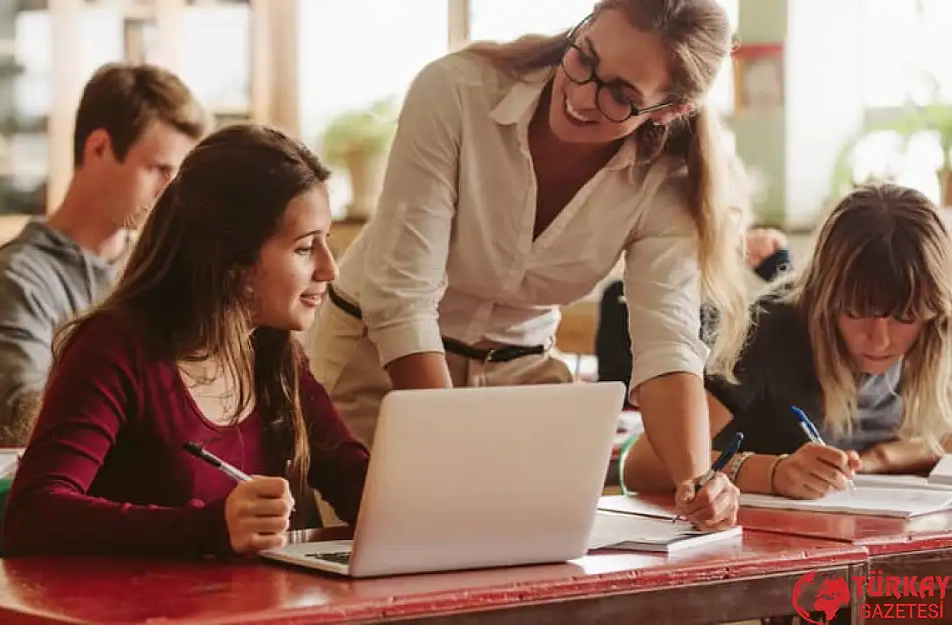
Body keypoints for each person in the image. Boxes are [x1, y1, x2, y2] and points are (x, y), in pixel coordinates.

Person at [304, 0, 748, 529]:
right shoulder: (458, 90)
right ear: (583, 27)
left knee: (529, 567)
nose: (582, 95)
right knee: (380, 554)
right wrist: (445, 446)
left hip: (518, 378)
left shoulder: (671, 177)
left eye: (621, 96)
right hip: (378, 360)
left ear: (668, 111)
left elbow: (667, 345)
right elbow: (402, 299)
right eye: (584, 58)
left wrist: (697, 483)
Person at [2, 124, 369, 558]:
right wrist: (207, 528)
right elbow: (31, 516)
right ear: (232, 260)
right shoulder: (113, 349)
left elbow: (357, 485)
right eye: (306, 248)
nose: (330, 269)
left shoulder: (275, 354)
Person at [623, 183, 952, 499]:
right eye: (855, 312)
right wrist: (771, 472)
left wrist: (879, 459)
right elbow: (641, 465)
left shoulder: (937, 330)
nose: (880, 340)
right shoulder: (773, 327)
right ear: (825, 298)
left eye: (905, 317)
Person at [0, 62, 206, 447]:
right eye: (157, 169)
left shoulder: (167, 269)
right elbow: (18, 419)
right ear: (98, 148)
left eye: (177, 175)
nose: (171, 191)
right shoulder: (18, 278)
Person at [596, 226, 792, 390]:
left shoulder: (721, 301)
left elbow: (792, 326)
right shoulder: (620, 296)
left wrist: (777, 264)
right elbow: (615, 381)